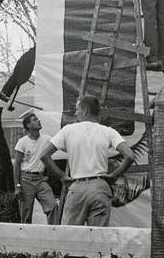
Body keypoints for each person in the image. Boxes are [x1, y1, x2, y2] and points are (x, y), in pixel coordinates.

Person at [41, 94, 136, 227]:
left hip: (77, 188)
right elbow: (130, 156)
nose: (75, 113)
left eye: (77, 109)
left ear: (85, 111)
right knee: (98, 238)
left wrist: (62, 176)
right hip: (100, 188)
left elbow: (44, 155)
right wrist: (114, 176)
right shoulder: (109, 132)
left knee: (70, 236)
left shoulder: (68, 130)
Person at [13, 110, 60, 224]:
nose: (38, 120)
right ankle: (25, 238)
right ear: (28, 125)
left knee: (52, 205)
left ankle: (52, 234)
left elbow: (58, 147)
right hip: (25, 179)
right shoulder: (22, 142)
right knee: (26, 212)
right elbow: (17, 165)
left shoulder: (47, 139)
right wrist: (17, 186)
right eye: (35, 120)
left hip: (40, 180)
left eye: (37, 119)